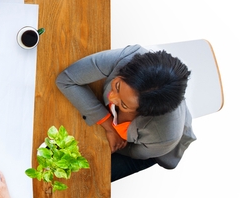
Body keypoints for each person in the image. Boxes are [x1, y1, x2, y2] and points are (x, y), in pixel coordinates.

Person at [56, 46, 194, 181]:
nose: (111, 98)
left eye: (124, 104)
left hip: (144, 150)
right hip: (123, 129)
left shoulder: (163, 137)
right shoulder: (128, 57)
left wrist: (105, 146)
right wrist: (109, 127)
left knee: (85, 177)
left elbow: (134, 152)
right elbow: (66, 80)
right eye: (117, 85)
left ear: (143, 112)